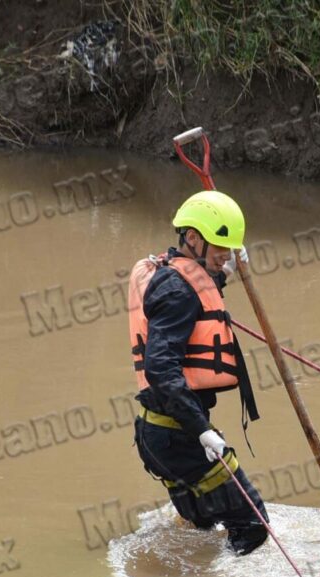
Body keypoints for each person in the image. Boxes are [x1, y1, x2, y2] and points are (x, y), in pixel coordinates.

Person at [127, 190, 269, 555]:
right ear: (192, 239)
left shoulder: (182, 274)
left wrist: (227, 270)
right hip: (179, 438)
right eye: (221, 248)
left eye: (230, 249)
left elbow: (200, 291)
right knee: (253, 527)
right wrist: (203, 431)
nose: (226, 256)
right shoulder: (176, 291)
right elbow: (161, 368)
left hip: (158, 433)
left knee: (202, 529)